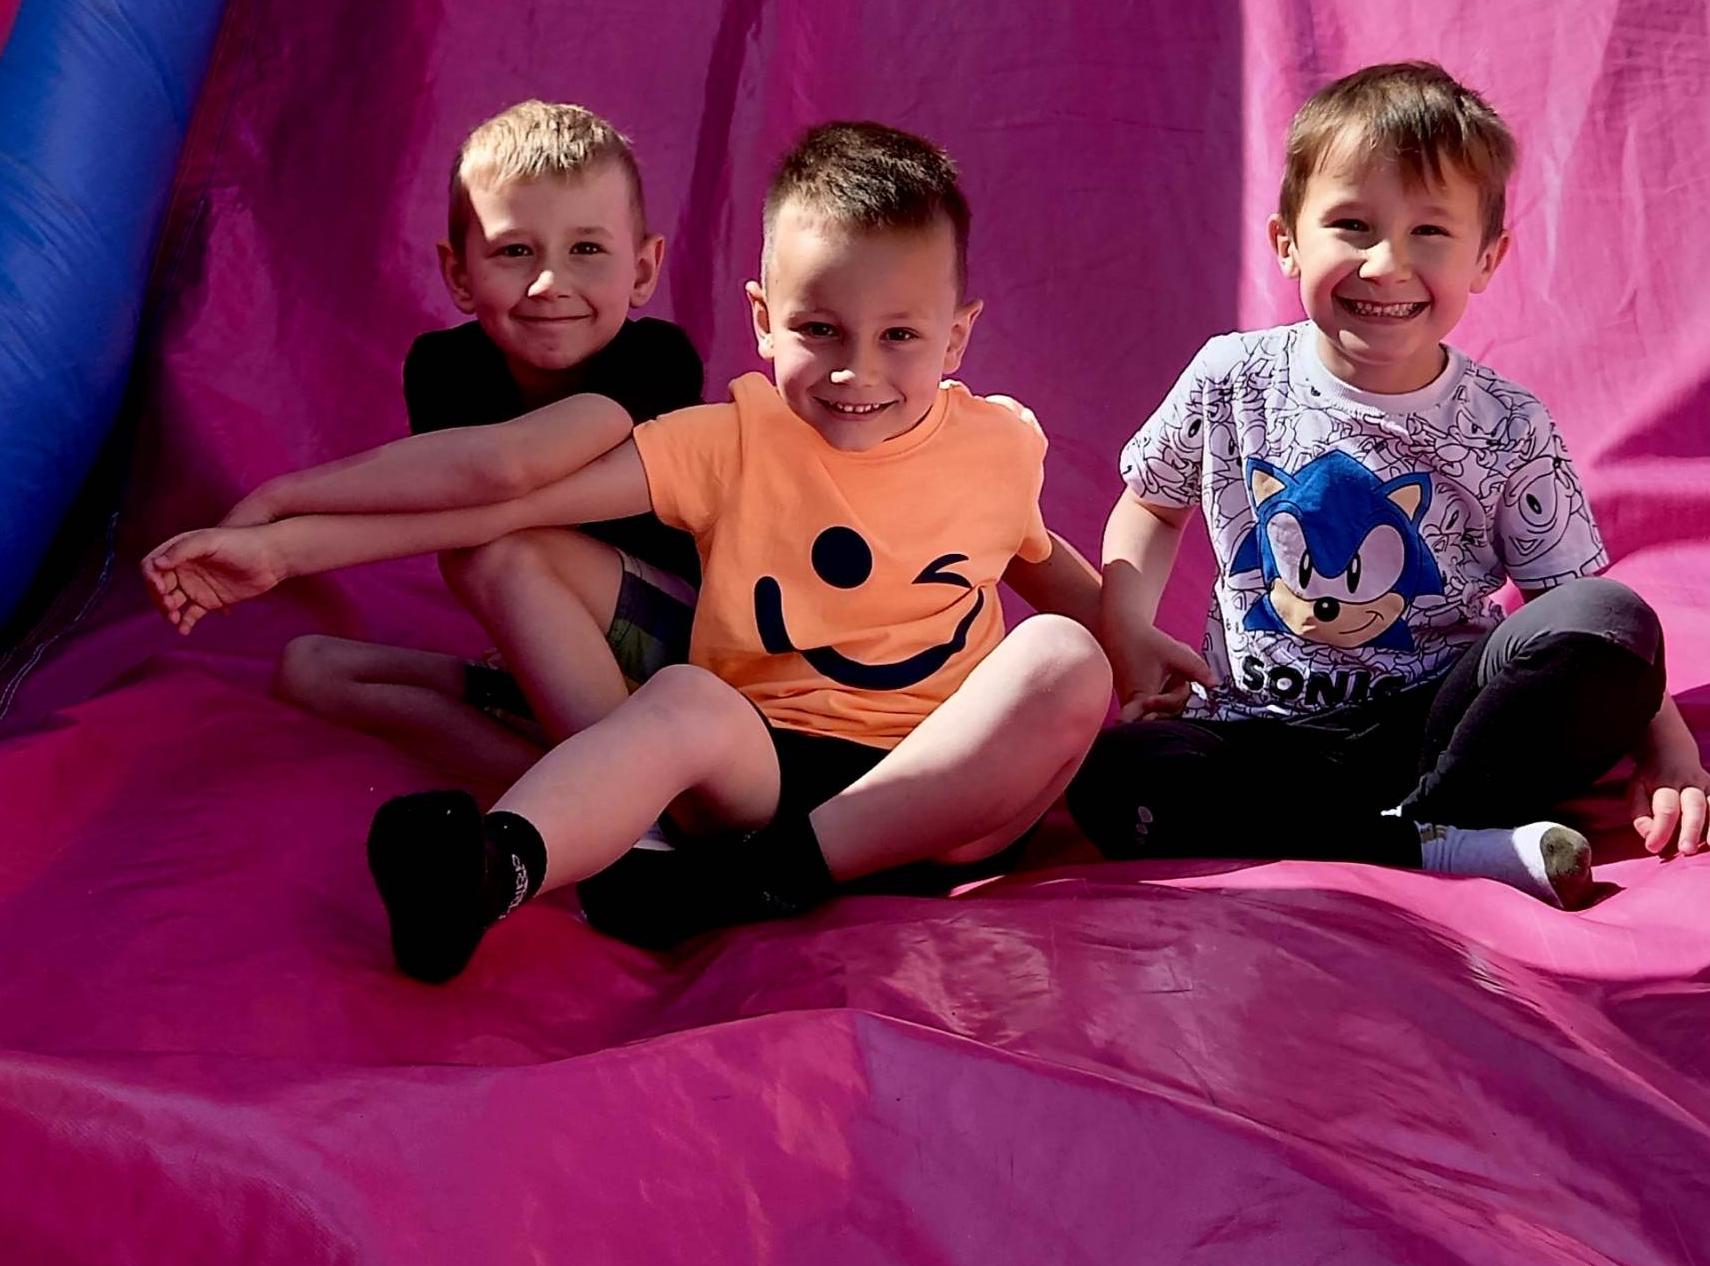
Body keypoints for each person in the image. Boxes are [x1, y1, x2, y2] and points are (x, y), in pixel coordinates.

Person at [143, 121, 1110, 979]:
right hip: (766, 773)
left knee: (1067, 655)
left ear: (957, 337)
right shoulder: (727, 438)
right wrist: (287, 550)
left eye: (900, 334)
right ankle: (493, 872)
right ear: (763, 321)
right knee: (683, 698)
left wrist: (1134, 642)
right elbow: (512, 503)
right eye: (820, 329)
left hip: (944, 798)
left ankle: (760, 878)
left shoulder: (998, 440)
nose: (857, 369)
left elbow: (1035, 557)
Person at [1066, 62, 1710, 906]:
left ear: (1486, 258)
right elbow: (1151, 505)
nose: (1386, 264)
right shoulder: (1230, 377)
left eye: (1430, 232)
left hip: (1446, 731)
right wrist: (1126, 628)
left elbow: (1571, 603)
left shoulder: (1506, 422)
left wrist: (1671, 754)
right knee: (1112, 779)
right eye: (1352, 225)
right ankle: (1432, 843)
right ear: (1287, 240)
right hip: (1261, 735)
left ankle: (1428, 817)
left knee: (1613, 620)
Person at [245, 100, 703, 792]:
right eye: (515, 251)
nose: (549, 284)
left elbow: (505, 469)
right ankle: (571, 785)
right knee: (308, 667)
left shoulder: (657, 359)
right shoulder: (444, 367)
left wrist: (280, 505)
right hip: (569, 655)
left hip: (692, 651)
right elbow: (438, 498)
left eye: (586, 250)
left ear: (642, 270)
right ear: (460, 274)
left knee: (492, 547)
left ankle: (624, 792)